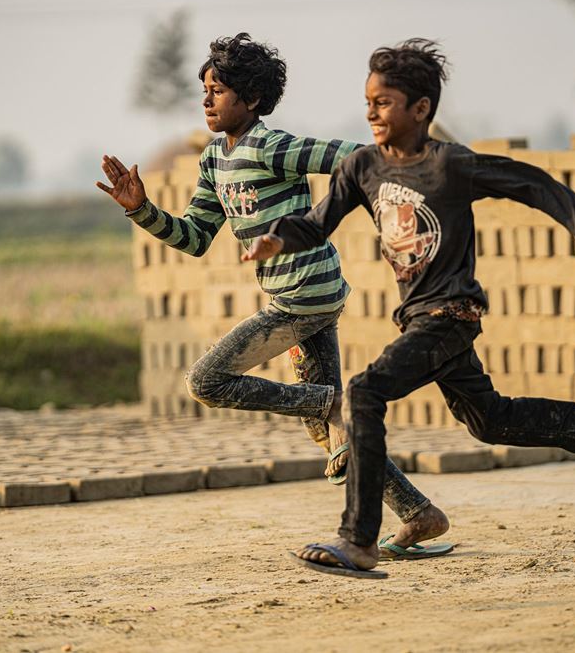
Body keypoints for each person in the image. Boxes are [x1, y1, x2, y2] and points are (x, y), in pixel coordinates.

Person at [244, 38, 575, 579]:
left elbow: (532, 184)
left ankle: (358, 540)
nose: (371, 111)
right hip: (419, 319)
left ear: (421, 110)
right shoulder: (362, 168)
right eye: (367, 100)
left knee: (364, 393)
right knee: (490, 420)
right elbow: (318, 222)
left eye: (385, 102)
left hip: (451, 316)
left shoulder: (449, 165)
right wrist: (279, 237)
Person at [98, 33, 452, 560]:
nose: (207, 99)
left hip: (302, 299)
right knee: (331, 440)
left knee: (206, 380)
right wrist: (140, 210)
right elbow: (194, 238)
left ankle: (333, 403)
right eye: (205, 89)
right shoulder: (215, 160)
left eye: (218, 90)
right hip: (305, 298)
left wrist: (407, 164)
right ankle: (419, 514)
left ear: (253, 100)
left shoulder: (273, 146)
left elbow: (347, 155)